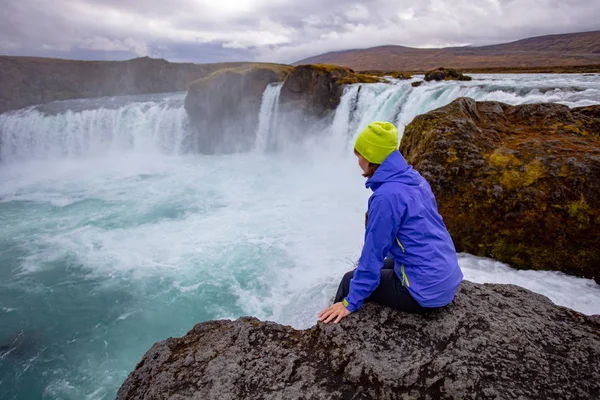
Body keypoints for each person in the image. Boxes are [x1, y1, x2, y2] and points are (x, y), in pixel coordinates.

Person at [318, 121, 463, 324]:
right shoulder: (415, 179)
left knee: (349, 281)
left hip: (424, 293)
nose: (358, 161)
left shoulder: (386, 197)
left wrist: (350, 302)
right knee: (366, 270)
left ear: (371, 158)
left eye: (359, 155)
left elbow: (374, 251)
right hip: (445, 275)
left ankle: (329, 327)